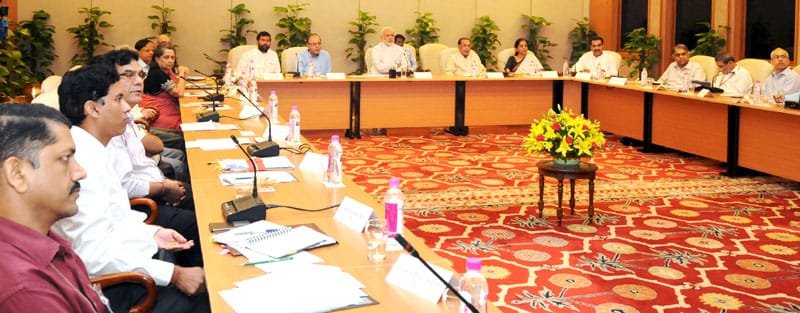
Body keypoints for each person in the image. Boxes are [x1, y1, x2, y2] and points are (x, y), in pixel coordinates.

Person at [54, 64, 209, 313]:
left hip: (135, 262)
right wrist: (174, 274)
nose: (127, 108)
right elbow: (92, 255)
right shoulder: (80, 164)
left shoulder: (96, 149)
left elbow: (116, 219)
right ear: (92, 108)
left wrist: (154, 233)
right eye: (118, 99)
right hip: (120, 287)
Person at [0, 103, 109, 313]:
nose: (80, 172)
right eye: (65, 158)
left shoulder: (46, 240)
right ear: (18, 173)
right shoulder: (25, 291)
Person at [92, 49, 192, 209]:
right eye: (129, 75)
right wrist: (165, 187)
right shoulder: (108, 124)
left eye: (140, 75)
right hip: (146, 202)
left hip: (156, 186)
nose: (139, 81)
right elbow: (126, 183)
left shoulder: (126, 113)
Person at [141, 44, 187, 131]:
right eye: (166, 57)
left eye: (172, 58)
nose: (170, 61)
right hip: (159, 114)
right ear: (157, 59)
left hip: (166, 110)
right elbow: (178, 92)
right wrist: (182, 74)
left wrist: (184, 75)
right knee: (187, 122)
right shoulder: (156, 73)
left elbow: (179, 86)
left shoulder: (166, 71)